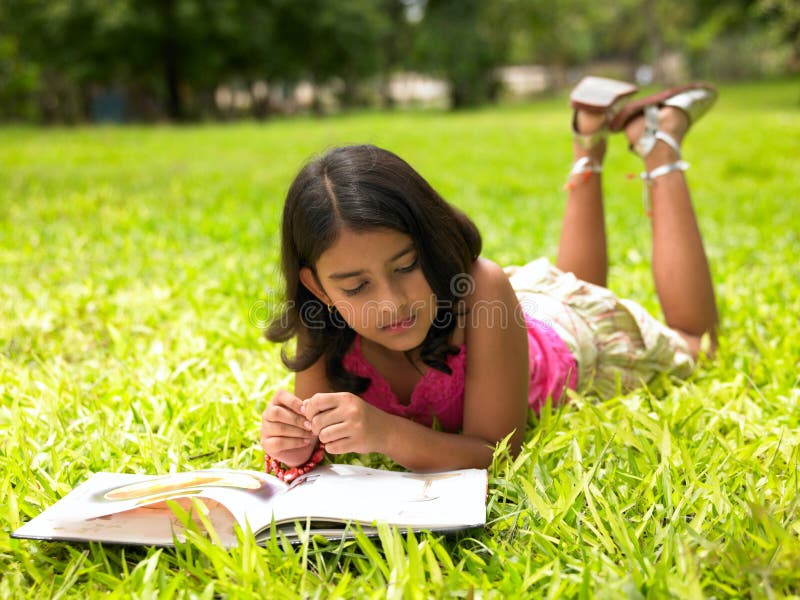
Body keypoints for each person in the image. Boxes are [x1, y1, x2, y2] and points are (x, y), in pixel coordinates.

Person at [260, 76, 719, 478]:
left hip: (571, 338)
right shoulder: (320, 318)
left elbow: (496, 453)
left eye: (405, 266)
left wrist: (385, 434)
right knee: (573, 277)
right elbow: (309, 453)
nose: (392, 302)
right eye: (357, 287)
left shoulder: (482, 288)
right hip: (519, 312)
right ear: (317, 287)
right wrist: (293, 443)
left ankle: (660, 144)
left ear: (431, 242)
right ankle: (588, 140)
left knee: (695, 343)